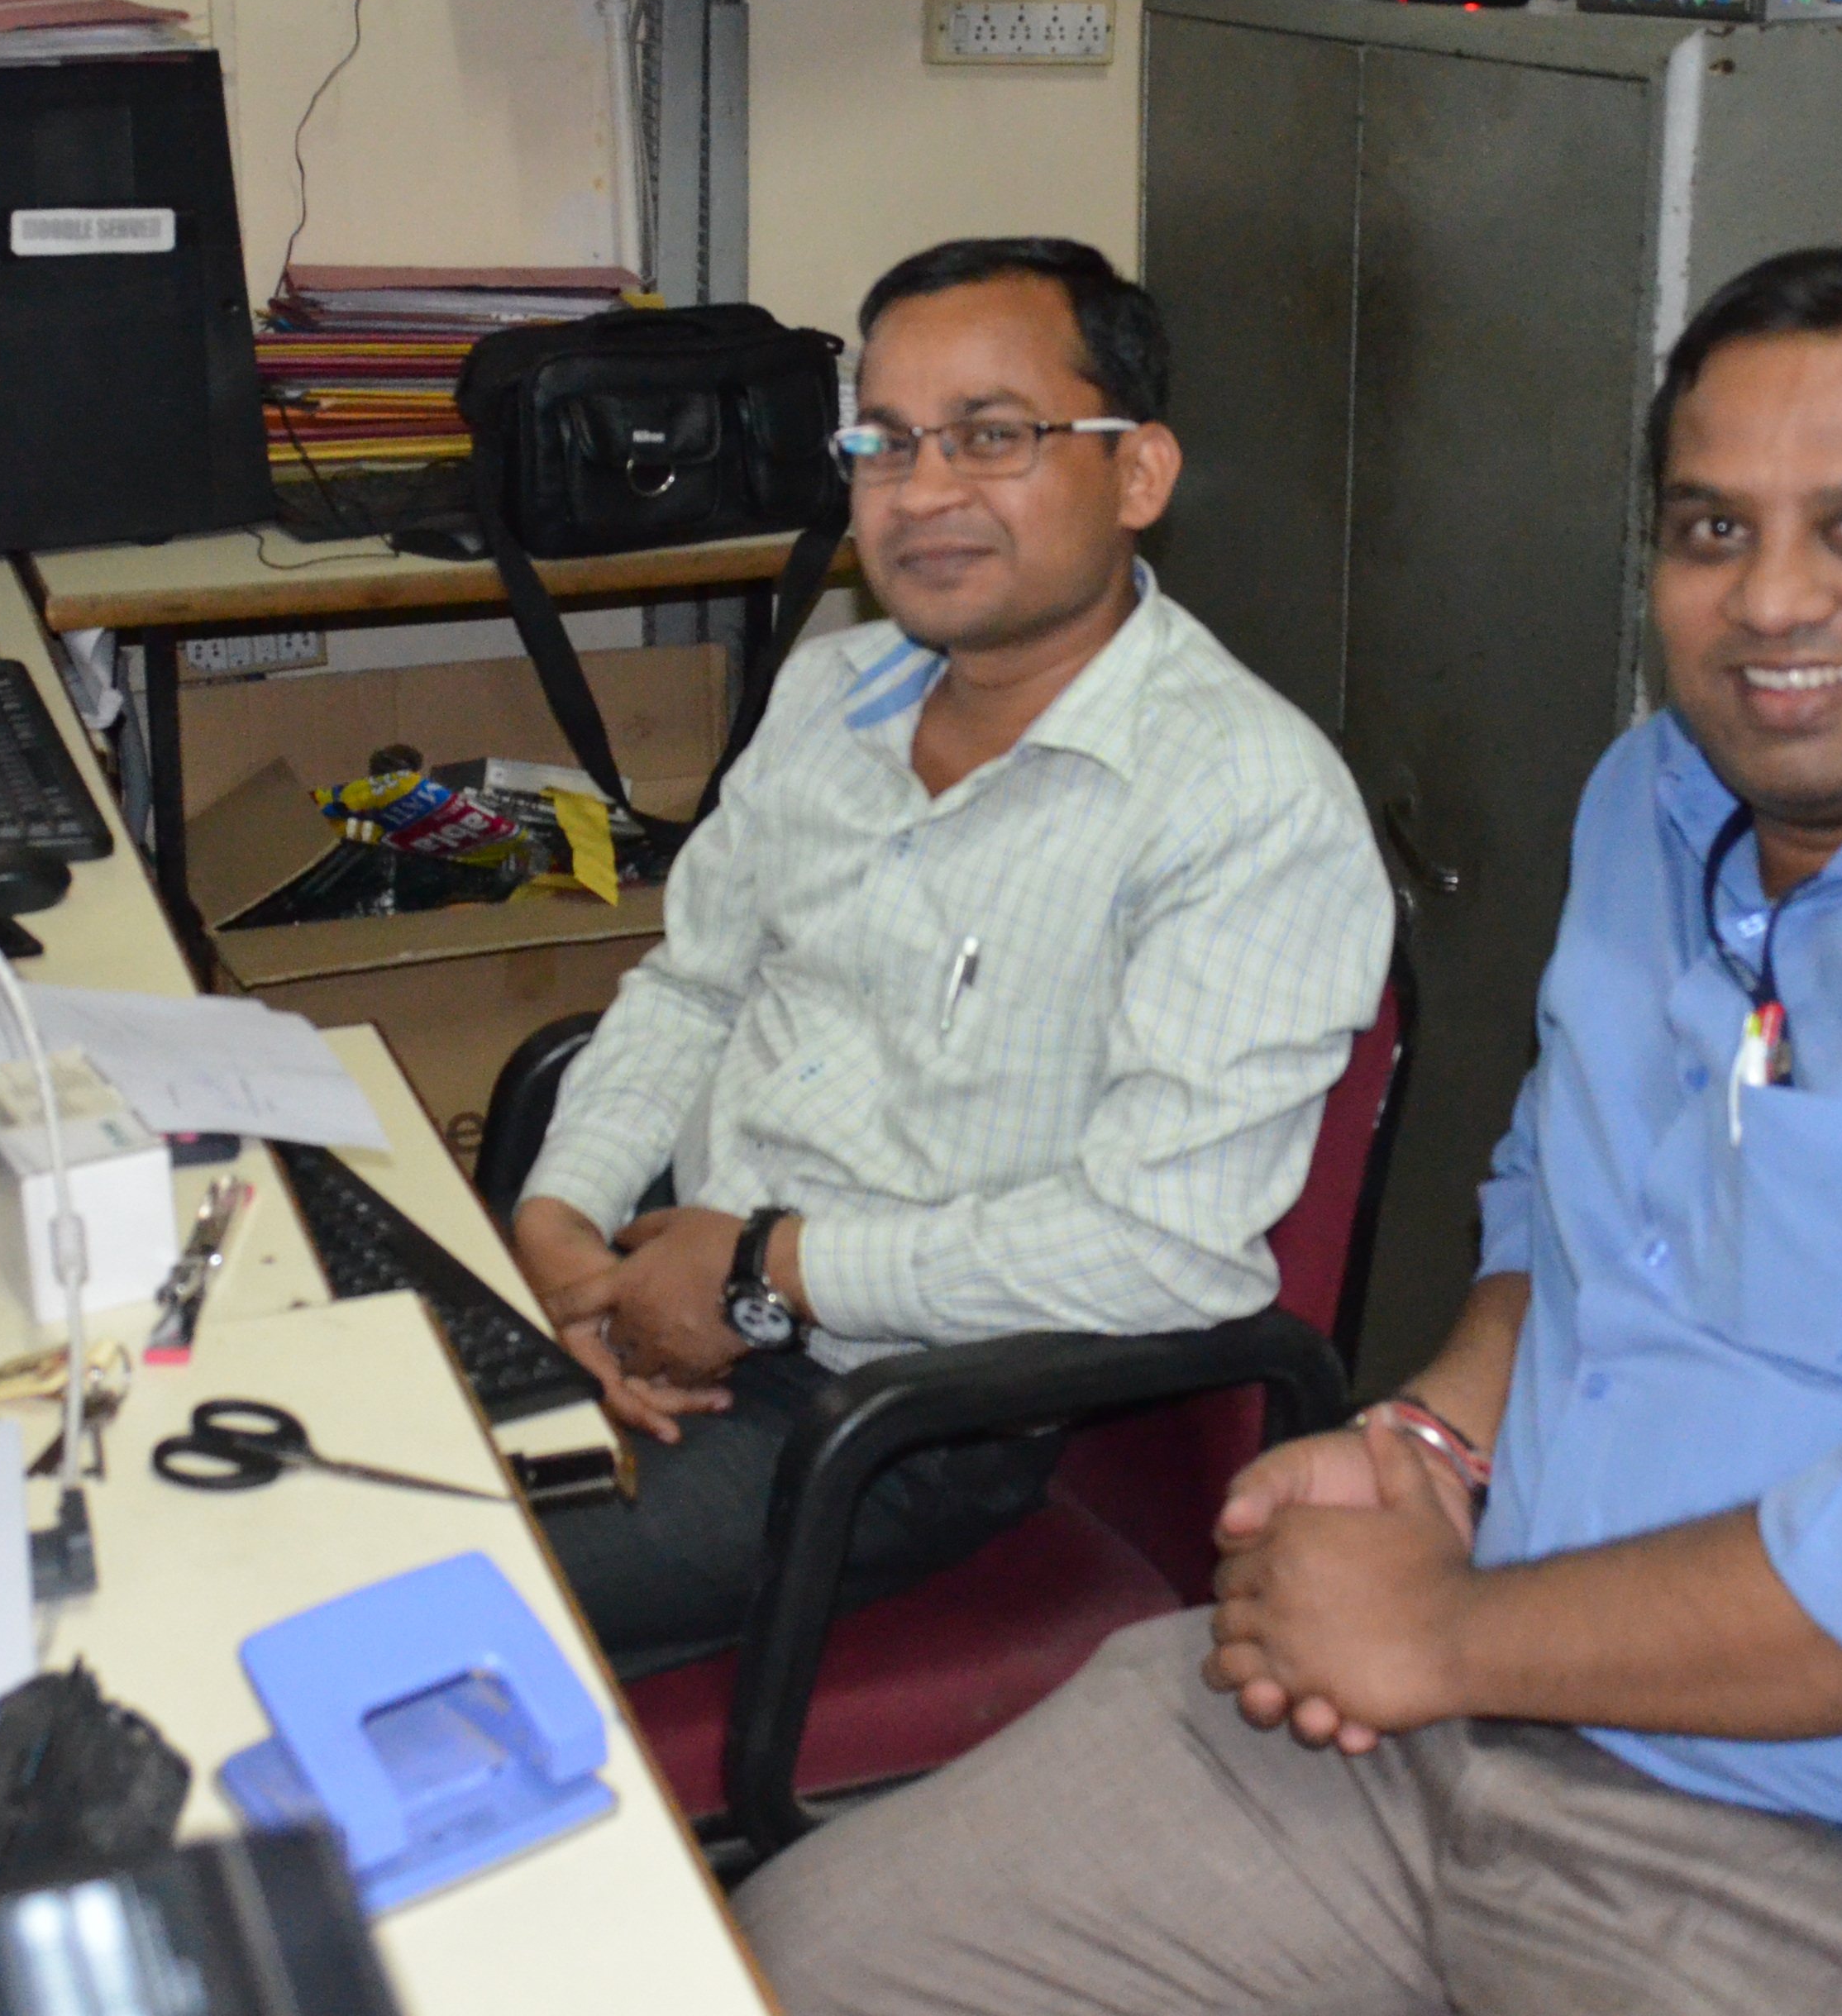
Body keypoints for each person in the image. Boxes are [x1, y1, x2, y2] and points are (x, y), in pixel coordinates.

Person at [737, 246, 1842, 2016]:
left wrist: (1444, 1633)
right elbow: (1556, 1211)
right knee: (798, 1962)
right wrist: (1430, 1441)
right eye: (1712, 531)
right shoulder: (1661, 800)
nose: (1771, 601)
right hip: (1466, 1729)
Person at [512, 236, 1395, 1675]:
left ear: (1139, 473)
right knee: (272, 1443)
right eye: (886, 443)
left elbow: (1165, 1249)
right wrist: (564, 1223)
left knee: (386, 1577)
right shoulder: (828, 691)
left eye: (991, 437)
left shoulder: (1243, 799)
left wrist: (766, 1274)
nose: (921, 494)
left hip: (893, 1419)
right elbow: (694, 988)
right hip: (667, 1273)